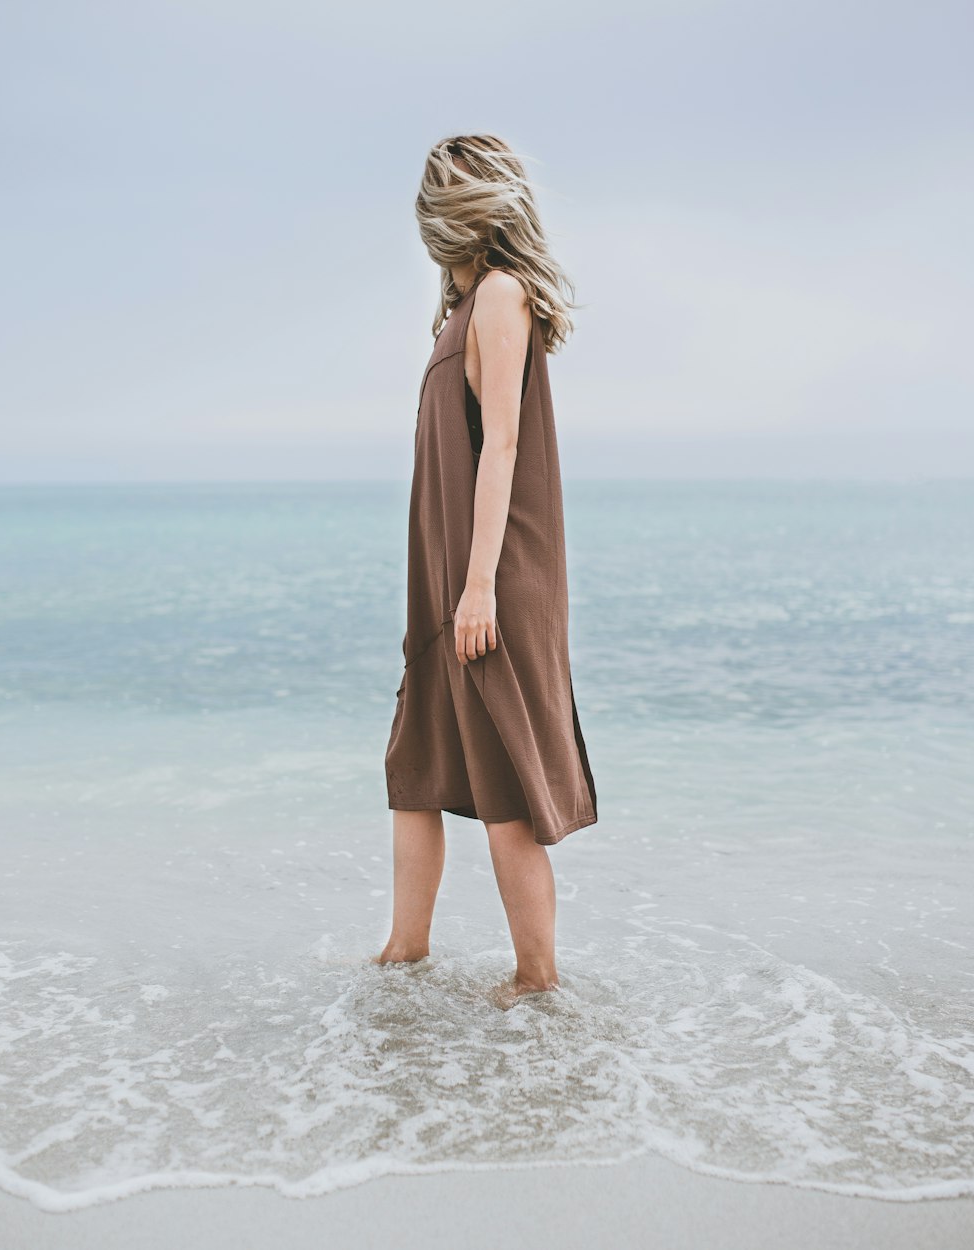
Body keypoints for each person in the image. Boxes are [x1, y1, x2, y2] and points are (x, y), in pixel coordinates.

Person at [375, 134, 597, 1006]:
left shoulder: (502, 297)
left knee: (503, 783)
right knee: (416, 768)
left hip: (489, 582)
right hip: (446, 582)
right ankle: (404, 953)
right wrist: (446, 585)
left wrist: (478, 586)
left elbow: (500, 442)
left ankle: (538, 982)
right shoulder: (463, 308)